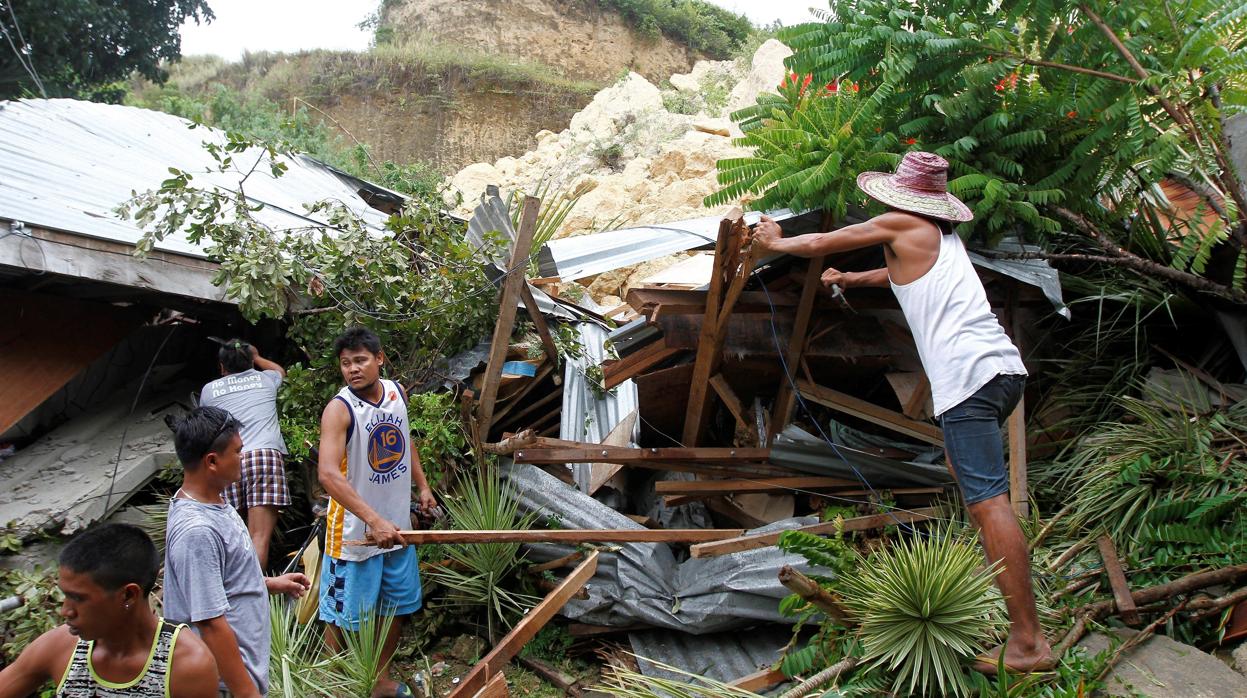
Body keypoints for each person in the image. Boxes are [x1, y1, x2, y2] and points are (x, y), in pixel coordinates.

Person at [751, 151, 1056, 674]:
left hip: (969, 380)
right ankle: (1017, 616)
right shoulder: (939, 239)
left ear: (903, 197)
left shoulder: (901, 222)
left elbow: (822, 241)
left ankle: (1029, 642)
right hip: (999, 374)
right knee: (979, 493)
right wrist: (850, 279)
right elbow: (895, 279)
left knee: (988, 504)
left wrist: (774, 242)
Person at [318, 327, 437, 698]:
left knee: (394, 606)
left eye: (360, 360)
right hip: (354, 532)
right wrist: (372, 518)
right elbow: (327, 474)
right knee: (341, 614)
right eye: (345, 363)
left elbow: (405, 439)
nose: (353, 369)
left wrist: (423, 486)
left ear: (379, 358)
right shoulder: (339, 410)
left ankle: (380, 681)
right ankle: (332, 684)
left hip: (397, 526)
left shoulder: (396, 392)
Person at [163, 406, 311, 698]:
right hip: (224, 683)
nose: (243, 459)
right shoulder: (197, 531)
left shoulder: (214, 502)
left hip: (239, 674)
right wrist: (245, 692)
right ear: (213, 461)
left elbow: (214, 584)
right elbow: (209, 622)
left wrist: (265, 583)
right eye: (238, 452)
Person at [0, 523, 219, 697]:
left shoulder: (186, 666)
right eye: (65, 595)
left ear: (128, 595)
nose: (65, 611)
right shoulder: (59, 646)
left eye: (78, 598)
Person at [200, 339, 290, 570]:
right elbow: (280, 371)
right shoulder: (266, 379)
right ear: (251, 361)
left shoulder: (209, 390)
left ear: (222, 366)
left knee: (232, 539)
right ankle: (257, 595)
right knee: (258, 538)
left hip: (228, 460)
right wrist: (258, 357)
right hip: (264, 456)